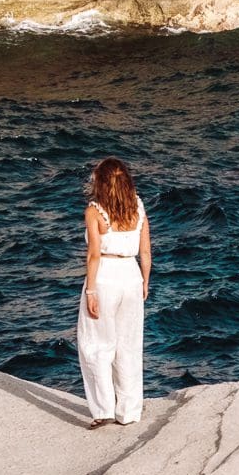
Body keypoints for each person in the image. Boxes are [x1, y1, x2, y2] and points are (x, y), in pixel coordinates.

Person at [77, 156, 150, 427]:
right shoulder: (139, 207)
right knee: (129, 346)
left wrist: (90, 292)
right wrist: (144, 280)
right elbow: (145, 250)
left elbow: (93, 255)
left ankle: (104, 410)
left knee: (96, 344)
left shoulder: (94, 212)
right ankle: (129, 412)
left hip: (105, 276)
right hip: (131, 275)